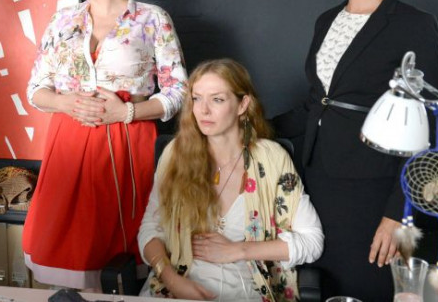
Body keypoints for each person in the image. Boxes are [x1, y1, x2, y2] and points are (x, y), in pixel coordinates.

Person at [272, 0, 438, 300]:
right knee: (318, 287)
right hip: (315, 181)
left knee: (366, 287)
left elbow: (429, 125)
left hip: (374, 189)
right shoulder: (326, 20)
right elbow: (317, 103)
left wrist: (397, 213)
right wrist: (254, 126)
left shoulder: (413, 24)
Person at [23, 0, 188, 289]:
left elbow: (178, 92)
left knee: (121, 257)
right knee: (68, 253)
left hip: (128, 147)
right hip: (68, 146)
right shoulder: (62, 21)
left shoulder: (152, 19)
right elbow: (35, 89)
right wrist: (65, 102)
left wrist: (126, 112)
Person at [138, 59, 324, 301]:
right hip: (178, 287)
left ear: (242, 104)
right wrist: (172, 280)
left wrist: (237, 250)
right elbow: (150, 229)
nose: (203, 110)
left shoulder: (272, 157)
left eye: (217, 99)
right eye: (197, 99)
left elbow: (312, 241)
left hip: (249, 291)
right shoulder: (175, 154)